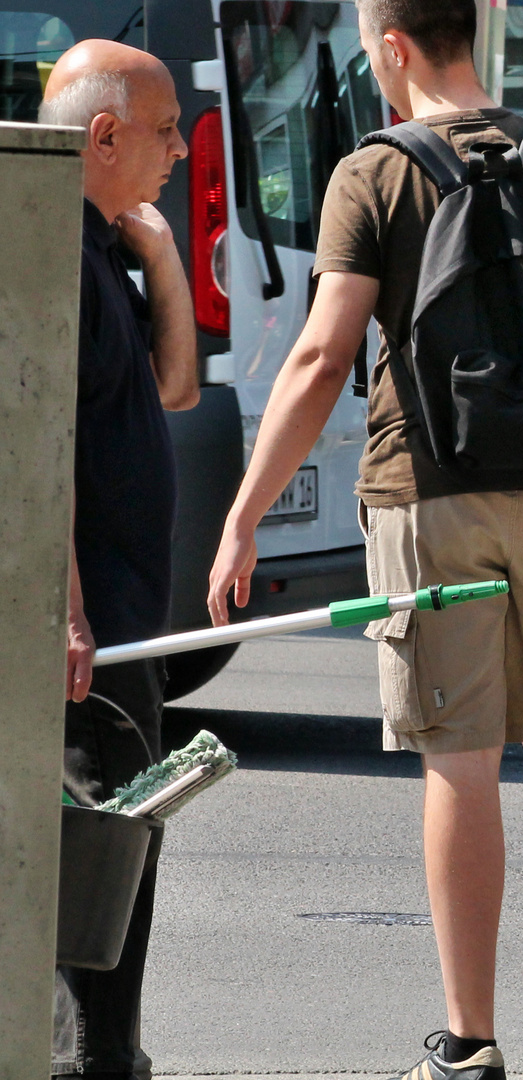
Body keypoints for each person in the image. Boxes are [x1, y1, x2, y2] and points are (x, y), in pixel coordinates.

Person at [207, 2, 523, 1078]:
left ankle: (470, 1044)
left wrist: (242, 515)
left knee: (459, 761)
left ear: (394, 45)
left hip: (433, 497)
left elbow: (320, 360)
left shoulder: (373, 173)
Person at [39, 39, 199, 1080]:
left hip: (128, 620)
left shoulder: (102, 249)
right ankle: (85, 1061)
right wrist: (65, 612)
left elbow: (176, 386)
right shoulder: (46, 254)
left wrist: (164, 257)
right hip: (88, 634)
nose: (182, 150)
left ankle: (112, 1053)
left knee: (128, 837)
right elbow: (32, 449)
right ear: (103, 137)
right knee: (97, 848)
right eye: (167, 127)